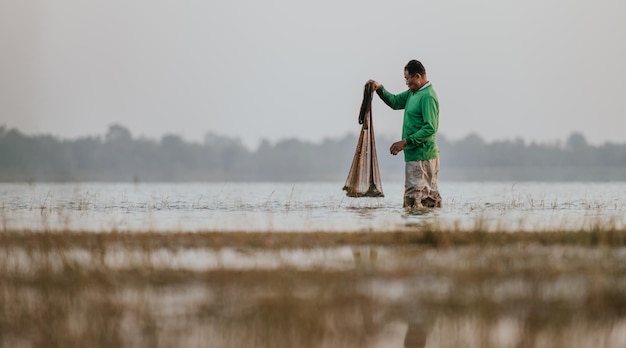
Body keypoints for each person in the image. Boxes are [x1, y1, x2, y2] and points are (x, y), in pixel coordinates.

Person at [369, 59, 442, 209]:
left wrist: (405, 142)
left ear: (417, 76)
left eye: (408, 79)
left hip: (422, 157)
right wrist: (379, 88)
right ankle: (424, 230)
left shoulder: (427, 96)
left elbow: (430, 128)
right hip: (415, 156)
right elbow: (395, 102)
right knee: (425, 200)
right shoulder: (412, 93)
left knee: (415, 200)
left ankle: (417, 230)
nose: (407, 83)